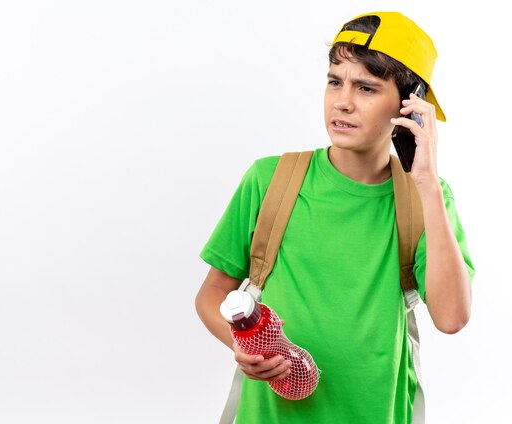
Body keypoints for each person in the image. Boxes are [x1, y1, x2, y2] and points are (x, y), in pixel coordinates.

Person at [195, 11, 475, 424]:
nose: (342, 101)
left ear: (409, 106)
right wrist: (244, 347)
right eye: (334, 81)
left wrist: (428, 185)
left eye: (366, 87)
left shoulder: (425, 199)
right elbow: (211, 294)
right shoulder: (270, 180)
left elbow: (451, 318)